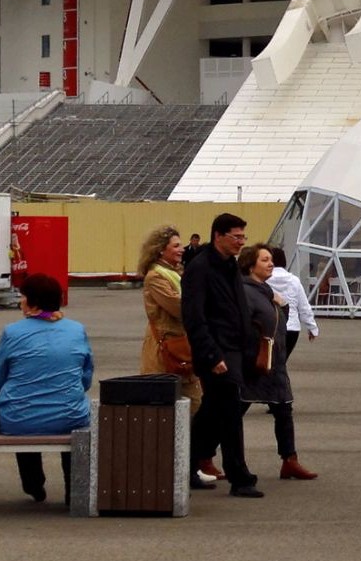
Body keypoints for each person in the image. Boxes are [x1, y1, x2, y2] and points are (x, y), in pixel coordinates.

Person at [0, 272, 94, 507]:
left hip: (19, 417)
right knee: (74, 423)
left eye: (22, 296)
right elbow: (86, 375)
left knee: (23, 413)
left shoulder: (12, 332)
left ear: (32, 301)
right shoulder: (76, 330)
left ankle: (34, 484)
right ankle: (73, 489)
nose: (20, 301)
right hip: (69, 414)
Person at [182, 210, 264, 497]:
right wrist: (210, 355)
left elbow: (238, 307)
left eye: (243, 236)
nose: (241, 242)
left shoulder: (230, 265)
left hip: (235, 349)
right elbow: (194, 317)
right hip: (216, 352)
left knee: (211, 412)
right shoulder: (200, 268)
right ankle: (239, 476)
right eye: (236, 236)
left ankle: (183, 465)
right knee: (229, 410)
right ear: (218, 235)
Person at [135, 226, 209, 485]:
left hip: (183, 346)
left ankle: (187, 465)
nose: (181, 250)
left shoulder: (176, 273)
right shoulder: (156, 277)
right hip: (165, 350)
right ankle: (172, 468)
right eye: (176, 246)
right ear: (161, 249)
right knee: (166, 410)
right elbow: (180, 307)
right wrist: (205, 301)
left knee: (194, 405)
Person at [237, 245, 315, 479]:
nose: (271, 264)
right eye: (265, 260)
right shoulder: (245, 291)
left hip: (274, 360)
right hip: (254, 361)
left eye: (271, 260)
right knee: (234, 409)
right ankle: (204, 455)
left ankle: (290, 460)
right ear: (251, 265)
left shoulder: (265, 289)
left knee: (283, 409)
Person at [267, 245, 321, 363]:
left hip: (272, 326)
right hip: (292, 328)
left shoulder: (264, 279)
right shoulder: (294, 280)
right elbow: (303, 306)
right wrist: (312, 327)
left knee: (269, 362)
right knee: (282, 362)